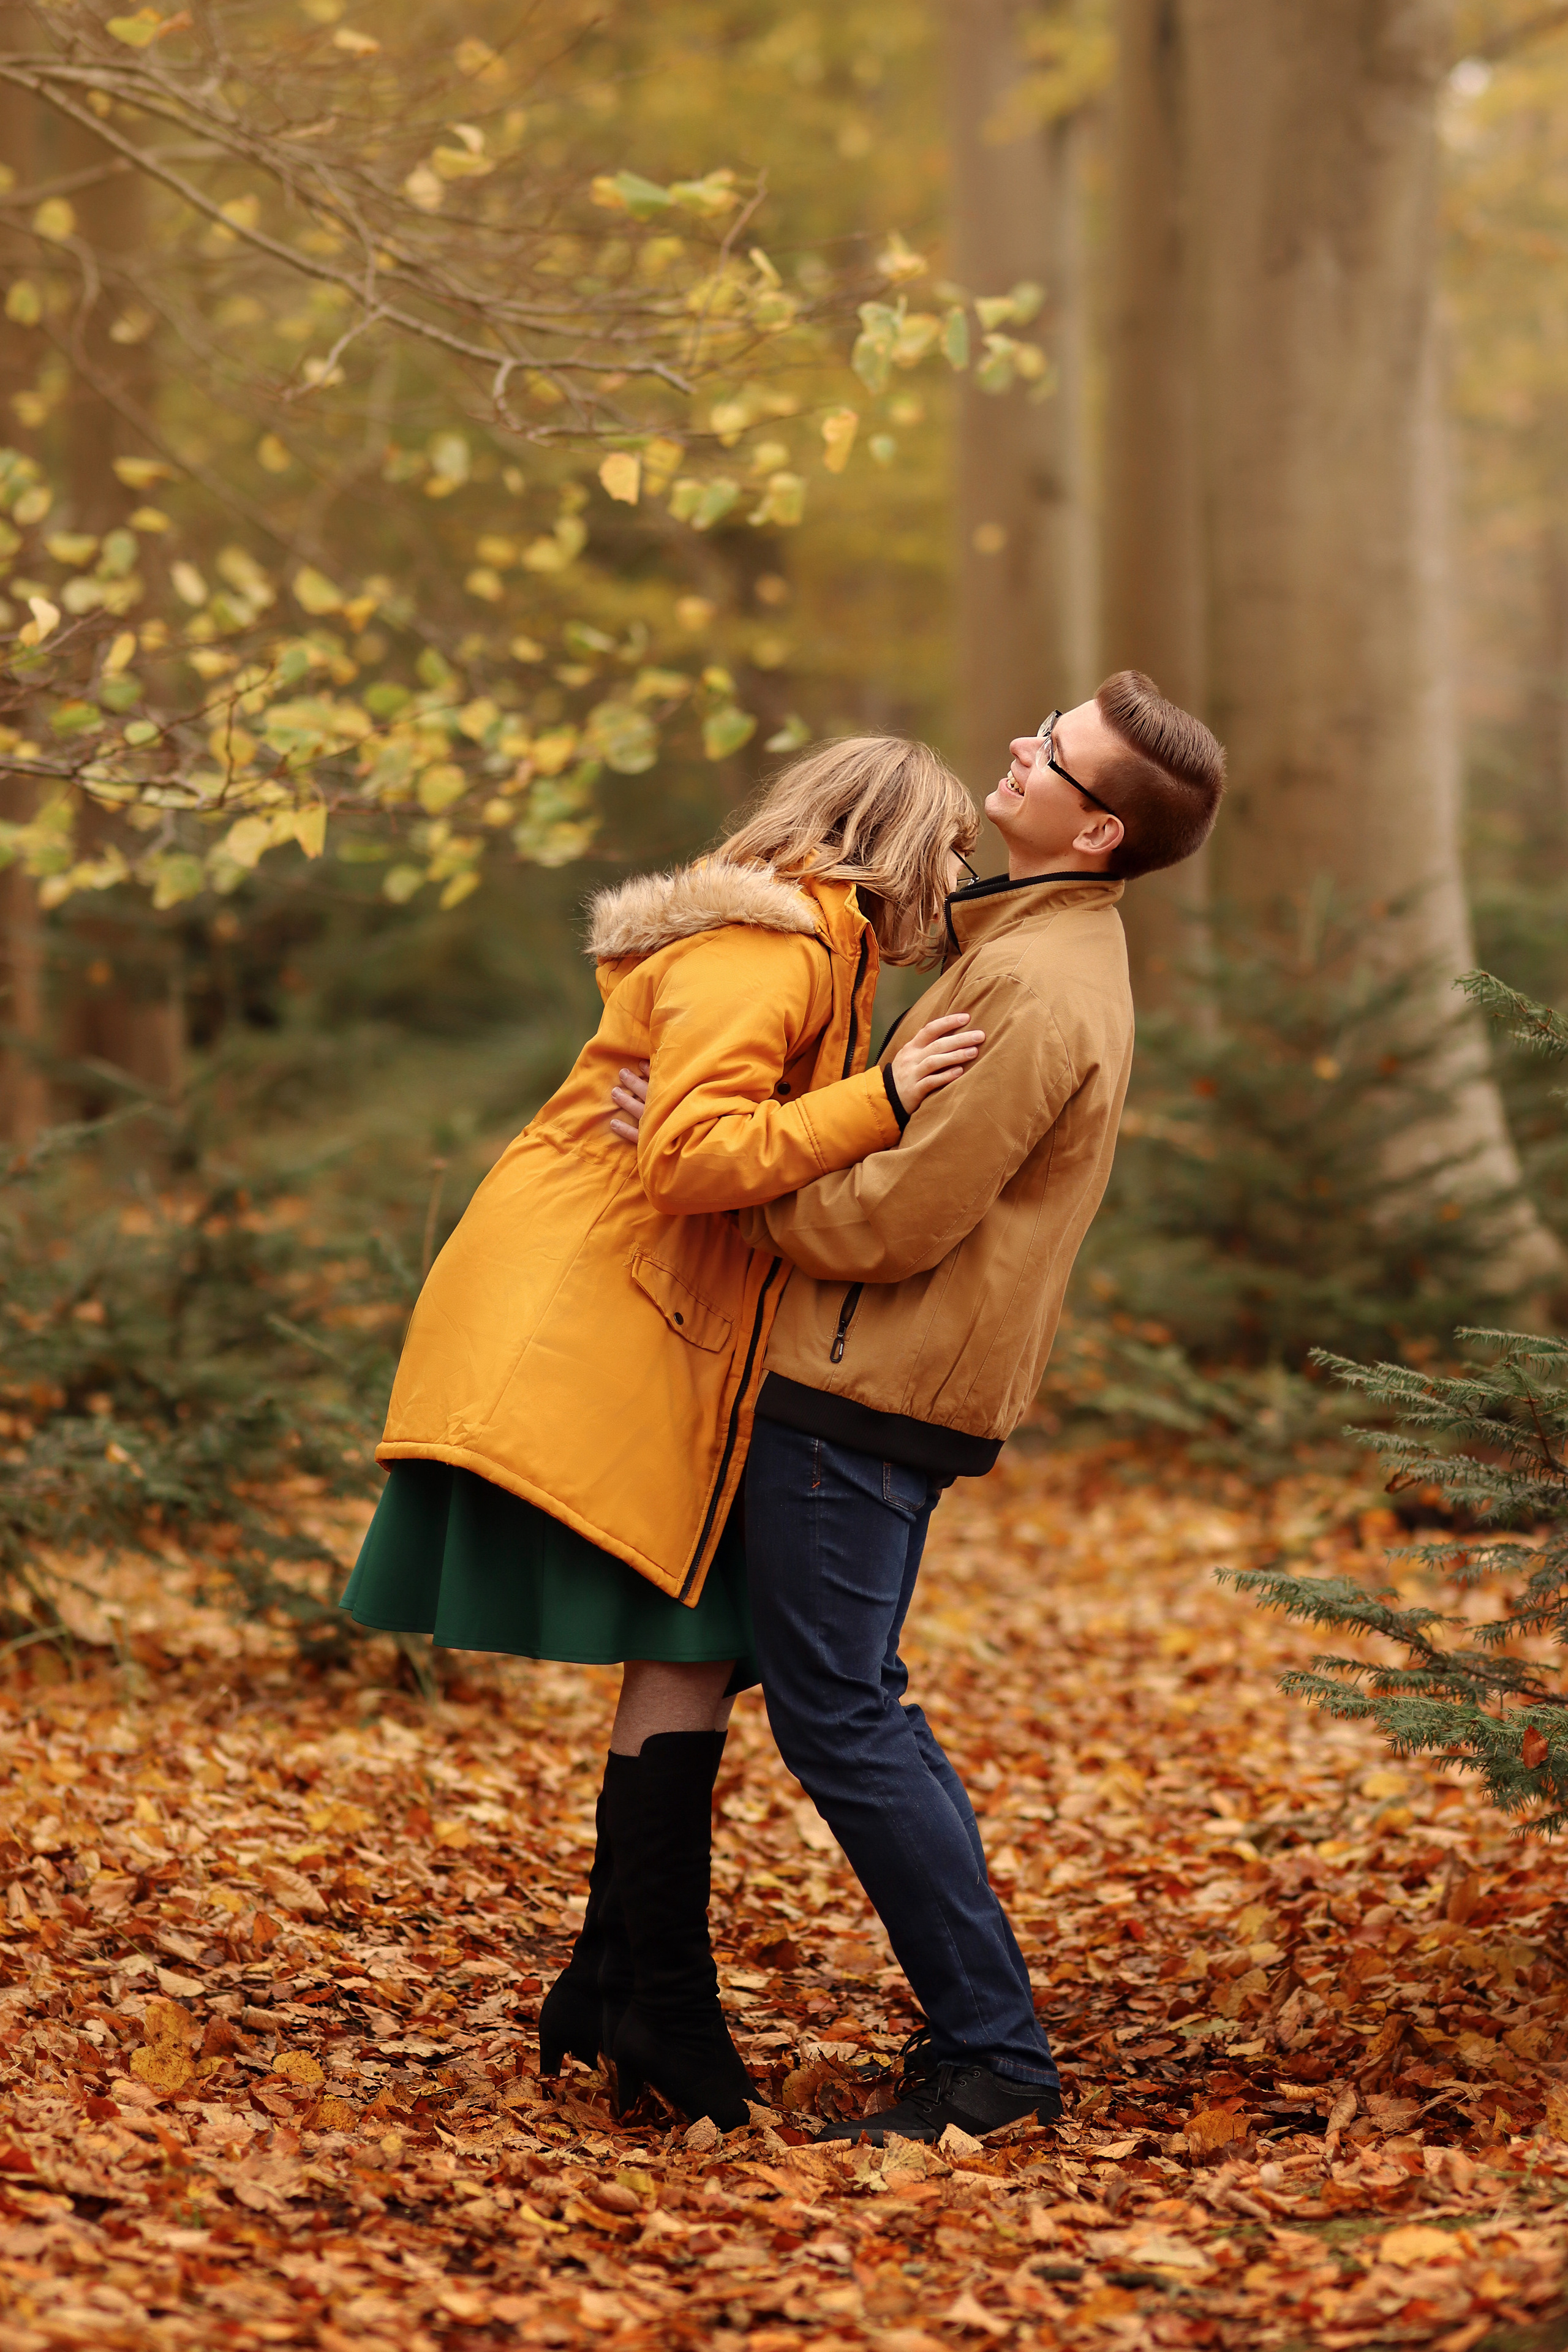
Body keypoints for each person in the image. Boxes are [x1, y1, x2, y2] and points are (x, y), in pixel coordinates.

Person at [339, 736, 982, 2131]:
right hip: (591, 1320)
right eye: (950, 849)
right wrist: (884, 1100)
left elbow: (706, 1132)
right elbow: (690, 1158)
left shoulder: (803, 948)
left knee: (690, 1640)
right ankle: (658, 2007)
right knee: (692, 1632)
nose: (959, 878)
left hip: (633, 1318)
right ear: (892, 844)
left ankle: (614, 1985)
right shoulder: (769, 955)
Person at [618, 671, 1225, 2144]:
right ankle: (630, 1985)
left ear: (1093, 835)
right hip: (855, 1376)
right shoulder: (1021, 942)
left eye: (1055, 754)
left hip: (865, 1387)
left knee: (843, 1716)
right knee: (811, 1695)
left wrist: (735, 1195)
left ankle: (993, 2057)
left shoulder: (1037, 986)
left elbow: (890, 1223)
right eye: (1046, 725)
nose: (1018, 746)